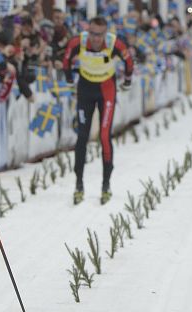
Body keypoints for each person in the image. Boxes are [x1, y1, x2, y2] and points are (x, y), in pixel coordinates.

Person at [62, 15, 133, 205]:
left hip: (106, 89)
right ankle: (79, 185)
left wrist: (127, 81)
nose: (95, 38)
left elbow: (129, 61)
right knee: (82, 136)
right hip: (85, 88)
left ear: (106, 33)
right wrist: (69, 79)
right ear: (88, 30)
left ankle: (106, 185)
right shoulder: (78, 41)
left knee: (104, 136)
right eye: (92, 33)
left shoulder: (114, 43)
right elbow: (66, 59)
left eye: (100, 34)